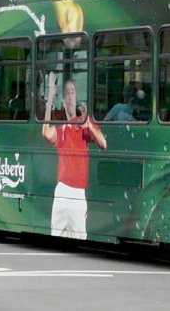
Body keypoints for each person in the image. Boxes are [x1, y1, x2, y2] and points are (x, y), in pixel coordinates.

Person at [41, 72, 107, 239]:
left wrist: (89, 127)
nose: (70, 97)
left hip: (78, 193)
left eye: (72, 92)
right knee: (56, 236)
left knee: (79, 238)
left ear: (76, 98)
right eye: (67, 93)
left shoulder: (84, 122)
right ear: (63, 101)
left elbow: (103, 143)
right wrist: (50, 97)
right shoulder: (62, 129)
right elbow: (46, 133)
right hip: (62, 191)